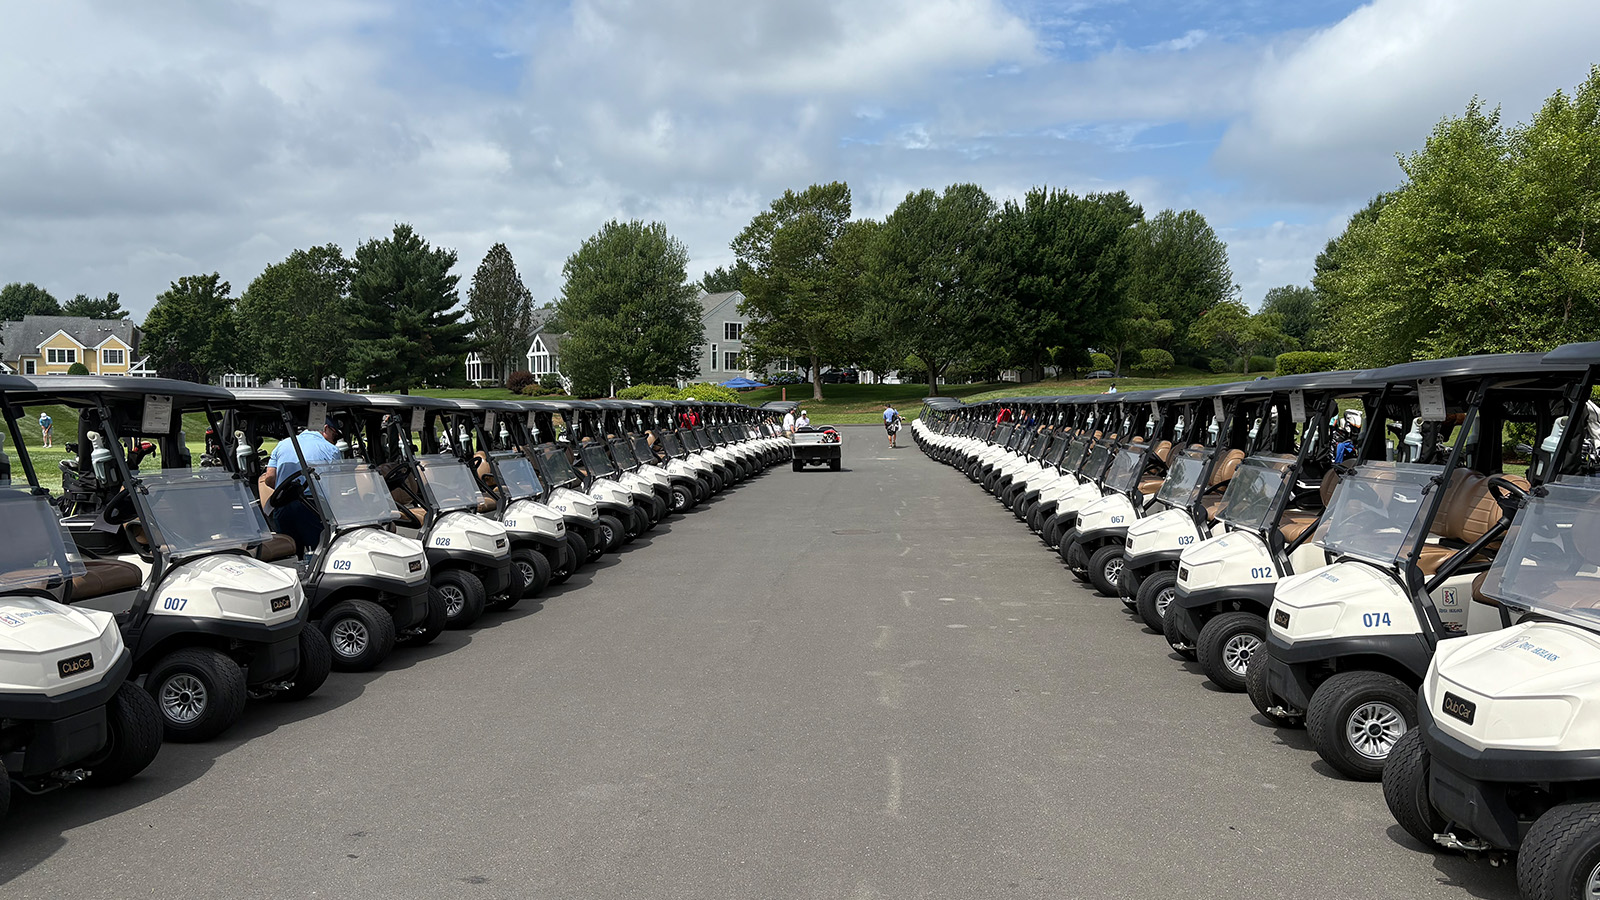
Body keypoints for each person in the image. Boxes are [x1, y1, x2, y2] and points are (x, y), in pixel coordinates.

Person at [258, 419, 346, 556]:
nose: (333, 441)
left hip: (283, 506)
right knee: (320, 552)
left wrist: (286, 487)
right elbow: (335, 487)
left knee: (288, 550)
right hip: (312, 507)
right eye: (334, 436)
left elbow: (269, 478)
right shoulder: (331, 450)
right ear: (325, 428)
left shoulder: (282, 445)